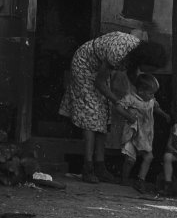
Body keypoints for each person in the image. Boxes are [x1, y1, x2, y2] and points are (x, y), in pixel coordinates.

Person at [58, 30, 166, 183]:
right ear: (146, 60)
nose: (151, 72)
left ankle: (100, 167)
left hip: (98, 69)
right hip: (84, 65)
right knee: (91, 116)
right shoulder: (120, 52)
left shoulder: (135, 54)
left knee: (104, 115)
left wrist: (143, 96)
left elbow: (131, 75)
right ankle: (87, 168)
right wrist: (120, 103)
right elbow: (99, 83)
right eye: (151, 69)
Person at [114, 72, 170, 192]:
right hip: (132, 133)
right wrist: (128, 116)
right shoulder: (131, 98)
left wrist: (164, 114)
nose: (152, 96)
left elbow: (156, 107)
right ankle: (124, 179)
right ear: (140, 91)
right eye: (150, 93)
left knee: (149, 157)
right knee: (130, 159)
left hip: (145, 135)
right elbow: (118, 106)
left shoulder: (150, 100)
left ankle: (141, 180)